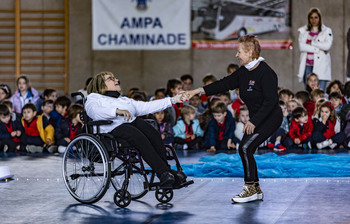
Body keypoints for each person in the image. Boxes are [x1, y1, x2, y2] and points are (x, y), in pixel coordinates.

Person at [184, 35, 282, 203]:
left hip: (271, 117)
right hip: (258, 118)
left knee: (244, 148)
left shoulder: (266, 73)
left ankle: (250, 187)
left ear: (250, 52)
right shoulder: (243, 72)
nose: (236, 55)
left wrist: (253, 121)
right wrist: (197, 91)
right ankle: (255, 188)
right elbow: (223, 84)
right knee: (245, 149)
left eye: (239, 51)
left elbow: (270, 101)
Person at [85, 71, 187, 189]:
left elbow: (147, 106)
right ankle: (163, 173)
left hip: (130, 126)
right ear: (100, 85)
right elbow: (94, 112)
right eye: (111, 79)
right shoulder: (94, 98)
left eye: (115, 78)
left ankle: (166, 171)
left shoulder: (124, 100)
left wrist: (173, 100)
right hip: (111, 131)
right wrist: (117, 111)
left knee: (152, 133)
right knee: (135, 133)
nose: (116, 80)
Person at [297, 8, 333, 91]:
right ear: (308, 19)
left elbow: (327, 46)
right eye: (311, 17)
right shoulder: (303, 31)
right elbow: (302, 47)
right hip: (307, 66)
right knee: (309, 93)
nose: (314, 20)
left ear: (320, 18)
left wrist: (311, 43)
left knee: (320, 93)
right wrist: (319, 49)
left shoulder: (327, 31)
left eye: (316, 17)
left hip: (321, 66)